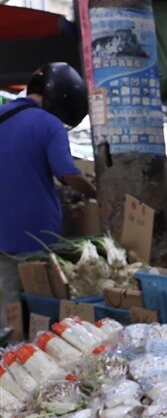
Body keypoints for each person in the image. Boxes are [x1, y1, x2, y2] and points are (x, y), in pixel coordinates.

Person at [0, 63, 96, 311]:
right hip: (34, 237)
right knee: (40, 310)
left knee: (8, 313)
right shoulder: (49, 124)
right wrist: (99, 193)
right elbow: (68, 174)